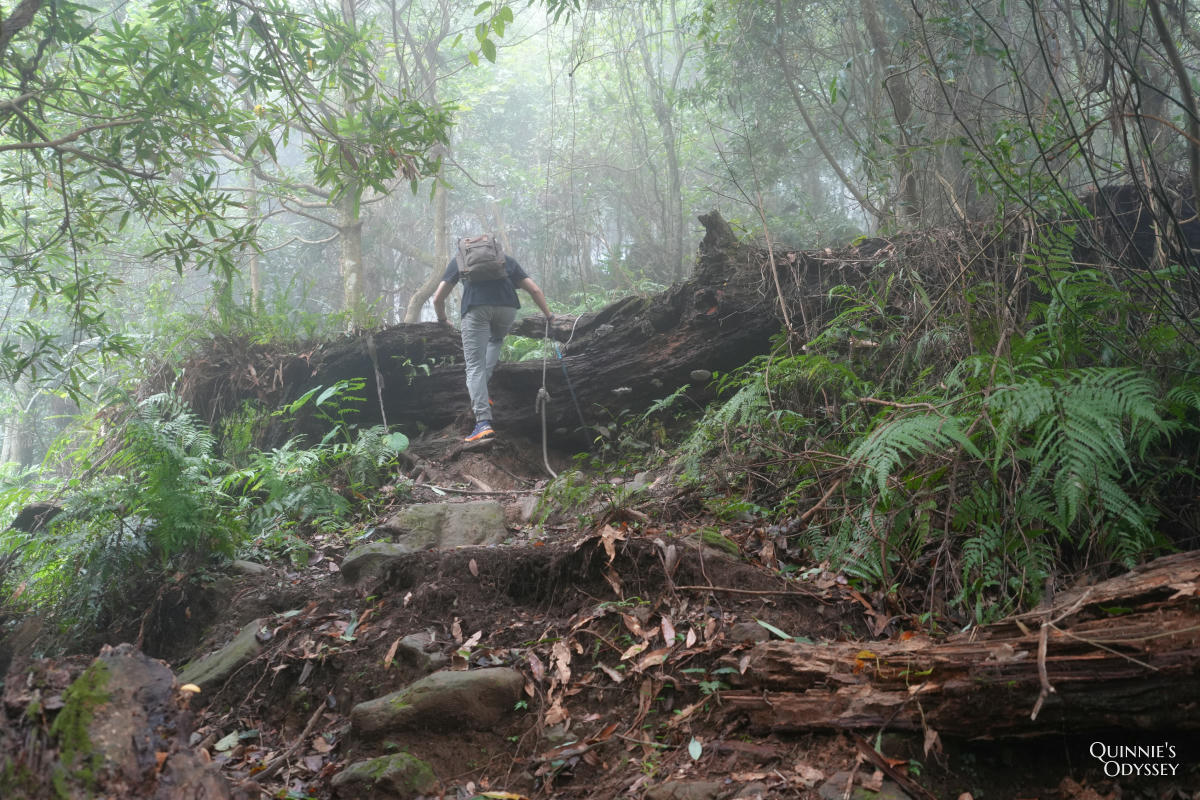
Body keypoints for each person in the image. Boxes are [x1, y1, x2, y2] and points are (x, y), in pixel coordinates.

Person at [432, 239, 552, 442]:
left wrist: (443, 319)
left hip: (476, 309)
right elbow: (534, 290)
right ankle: (483, 391)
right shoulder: (504, 260)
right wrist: (549, 316)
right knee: (495, 340)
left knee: (474, 367)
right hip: (507, 309)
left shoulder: (460, 262)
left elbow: (437, 298)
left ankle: (482, 423)